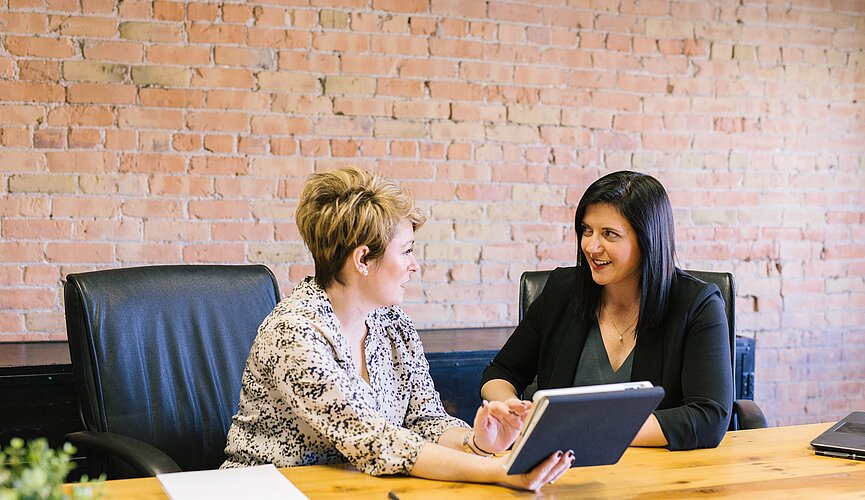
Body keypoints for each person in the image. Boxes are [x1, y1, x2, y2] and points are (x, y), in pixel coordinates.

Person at [222, 167, 572, 490]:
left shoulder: (393, 323)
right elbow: (375, 441)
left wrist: (477, 442)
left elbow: (425, 420)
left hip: (357, 488)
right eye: (406, 251)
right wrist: (499, 470)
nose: (414, 266)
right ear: (362, 260)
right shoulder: (294, 333)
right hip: (268, 489)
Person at [480, 170, 734, 451]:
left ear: (647, 239)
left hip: (656, 472)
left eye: (609, 234)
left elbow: (709, 416)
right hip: (559, 468)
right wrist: (509, 409)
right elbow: (501, 372)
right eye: (587, 230)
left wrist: (585, 429)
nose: (591, 246)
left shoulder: (697, 304)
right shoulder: (562, 290)